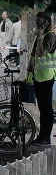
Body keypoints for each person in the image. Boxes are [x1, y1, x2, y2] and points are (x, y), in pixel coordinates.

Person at [27, 11, 56, 146]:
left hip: (47, 77)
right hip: (38, 77)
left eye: (39, 22)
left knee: (47, 109)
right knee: (42, 108)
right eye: (36, 22)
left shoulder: (50, 36)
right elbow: (34, 57)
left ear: (46, 22)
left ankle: (46, 138)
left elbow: (41, 53)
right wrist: (29, 72)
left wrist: (39, 37)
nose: (37, 24)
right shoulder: (41, 36)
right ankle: (41, 136)